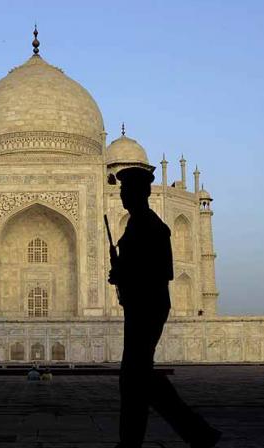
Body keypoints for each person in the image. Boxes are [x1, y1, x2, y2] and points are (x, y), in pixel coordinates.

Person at [108, 167, 221, 448]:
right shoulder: (137, 224)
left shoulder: (152, 226)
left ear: (140, 193)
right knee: (138, 377)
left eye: (125, 191)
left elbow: (162, 271)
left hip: (147, 306)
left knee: (134, 377)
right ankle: (196, 433)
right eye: (120, 190)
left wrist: (124, 274)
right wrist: (123, 274)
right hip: (142, 305)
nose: (121, 195)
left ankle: (139, 441)